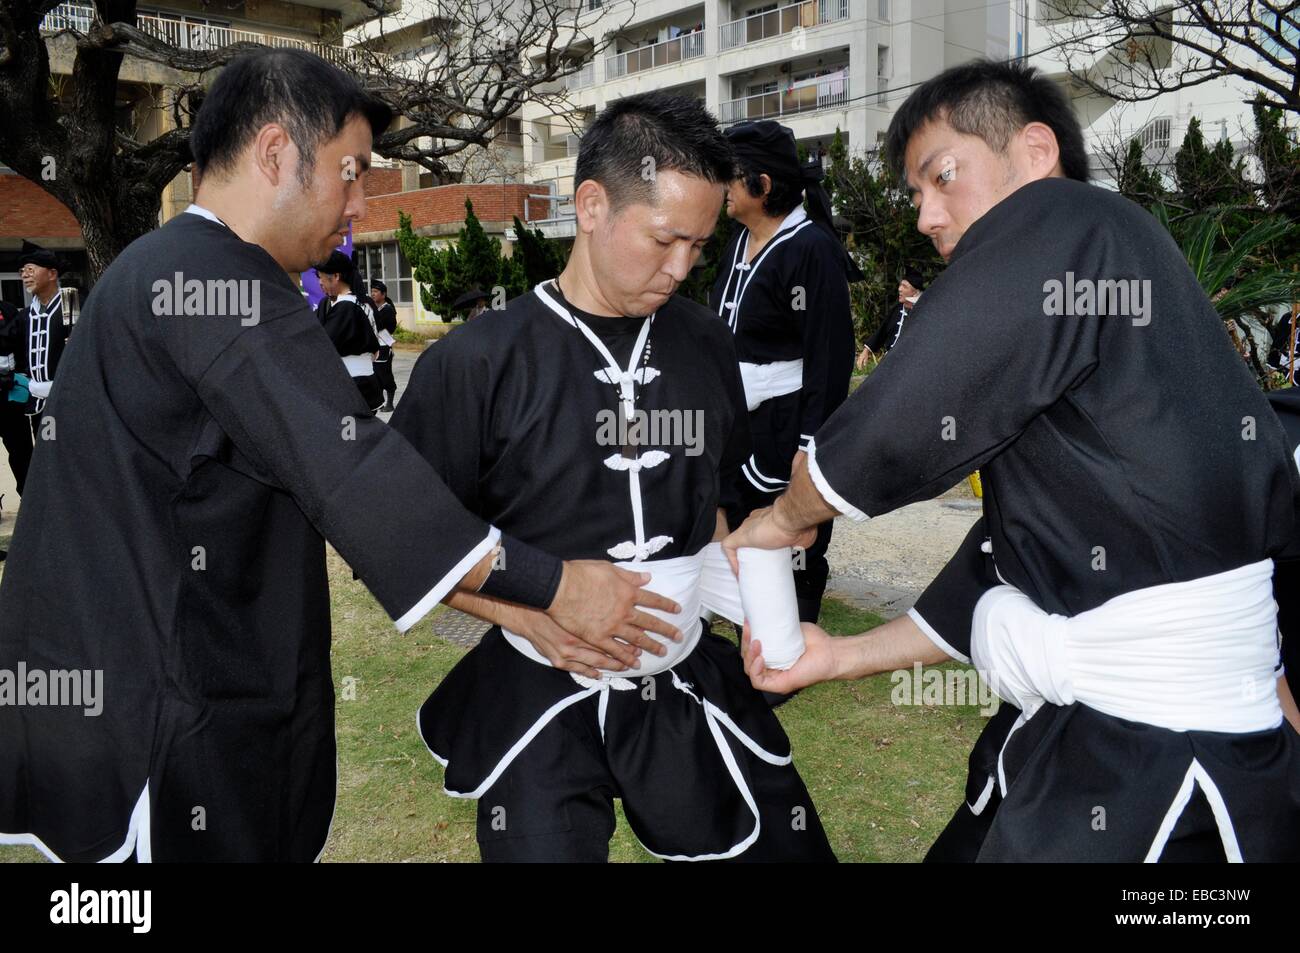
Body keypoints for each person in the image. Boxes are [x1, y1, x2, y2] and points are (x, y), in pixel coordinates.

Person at [0, 49, 681, 863]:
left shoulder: (173, 266)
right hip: (155, 715)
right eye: (350, 172)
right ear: (276, 152)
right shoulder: (216, 281)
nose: (361, 202)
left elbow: (330, 497)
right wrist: (560, 585)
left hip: (145, 682)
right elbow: (360, 477)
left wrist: (525, 613)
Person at [728, 59, 1300, 861]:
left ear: (1035, 153)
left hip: (1165, 757)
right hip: (1104, 737)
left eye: (941, 177)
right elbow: (1006, 556)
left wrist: (783, 517)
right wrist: (841, 655)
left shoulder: (1076, 222)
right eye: (915, 194)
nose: (926, 215)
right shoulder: (1090, 344)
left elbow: (906, 412)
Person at [391, 91, 837, 863]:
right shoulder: (476, 363)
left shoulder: (705, 344)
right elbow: (399, 541)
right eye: (664, 239)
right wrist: (533, 617)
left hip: (685, 669)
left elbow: (719, 506)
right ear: (590, 205)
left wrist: (760, 607)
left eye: (699, 245)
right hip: (538, 685)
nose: (681, 267)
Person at [709, 120, 860, 631]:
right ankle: (746, 622)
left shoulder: (810, 249)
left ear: (763, 185)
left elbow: (830, 356)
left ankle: (792, 636)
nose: (723, 187)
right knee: (735, 520)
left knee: (788, 531)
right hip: (737, 421)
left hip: (786, 422)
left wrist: (809, 444)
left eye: (730, 176)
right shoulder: (738, 242)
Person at [314, 250, 383, 411]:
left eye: (321, 276)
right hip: (363, 382)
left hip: (353, 384)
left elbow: (322, 346)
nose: (320, 282)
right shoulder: (358, 303)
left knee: (350, 435)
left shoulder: (345, 307)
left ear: (336, 276)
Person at [17, 241, 69, 441]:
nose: (24, 275)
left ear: (52, 273)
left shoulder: (75, 306)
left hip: (70, 402)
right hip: (37, 402)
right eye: (22, 271)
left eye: (30, 269)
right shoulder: (25, 316)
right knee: (45, 453)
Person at [856, 271, 924, 369]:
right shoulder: (897, 309)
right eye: (900, 285)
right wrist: (866, 351)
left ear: (916, 292)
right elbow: (882, 330)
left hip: (911, 364)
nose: (899, 289)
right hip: (889, 361)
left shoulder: (923, 311)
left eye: (905, 287)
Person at [0, 300, 32, 498]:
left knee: (21, 451)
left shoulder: (8, 310)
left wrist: (19, 375)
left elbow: (22, 345)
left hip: (9, 393)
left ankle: (30, 499)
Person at [369, 278, 399, 410]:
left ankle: (390, 403)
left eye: (376, 291)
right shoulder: (374, 308)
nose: (373, 294)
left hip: (384, 346)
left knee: (385, 375)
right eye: (372, 291)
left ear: (383, 294)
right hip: (374, 346)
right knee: (376, 376)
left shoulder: (387, 310)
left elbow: (388, 328)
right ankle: (380, 403)